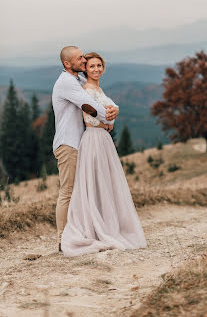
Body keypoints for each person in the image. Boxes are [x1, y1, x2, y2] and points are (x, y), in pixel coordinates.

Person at [61, 52, 147, 257]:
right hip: (93, 138)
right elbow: (89, 117)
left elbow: (109, 111)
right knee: (95, 181)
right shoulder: (86, 90)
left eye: (99, 65)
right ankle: (96, 227)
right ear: (86, 69)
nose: (96, 69)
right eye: (91, 66)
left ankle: (108, 223)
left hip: (103, 140)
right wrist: (105, 123)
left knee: (106, 183)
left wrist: (111, 117)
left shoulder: (98, 88)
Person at [52, 46, 119, 252]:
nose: (83, 60)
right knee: (68, 191)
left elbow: (100, 97)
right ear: (67, 63)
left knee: (84, 191)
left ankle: (84, 231)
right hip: (68, 144)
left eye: (83, 57)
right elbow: (89, 105)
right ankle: (62, 239)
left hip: (82, 142)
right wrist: (109, 118)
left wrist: (114, 109)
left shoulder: (78, 80)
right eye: (79, 58)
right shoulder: (66, 83)